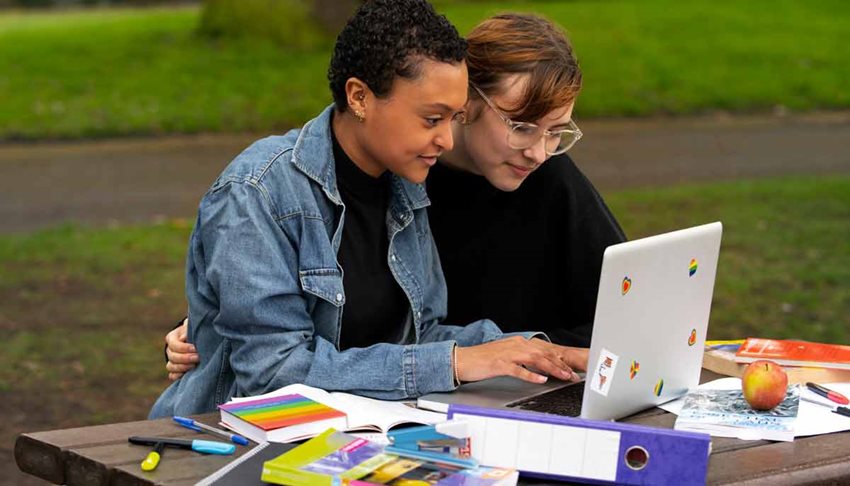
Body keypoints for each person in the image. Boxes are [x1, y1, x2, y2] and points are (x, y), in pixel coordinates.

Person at [149, 0, 585, 418]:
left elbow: (421, 337)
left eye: (453, 119)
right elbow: (274, 373)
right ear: (359, 97)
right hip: (230, 441)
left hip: (351, 433)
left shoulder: (403, 185)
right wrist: (454, 362)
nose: (448, 141)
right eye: (432, 119)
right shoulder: (256, 191)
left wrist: (541, 351)